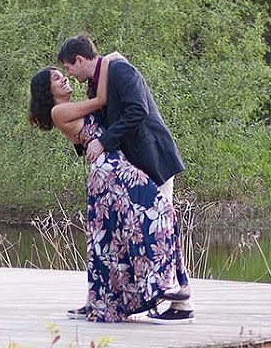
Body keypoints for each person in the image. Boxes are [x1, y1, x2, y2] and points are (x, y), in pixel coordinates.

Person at [27, 62, 189, 323]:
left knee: (110, 240)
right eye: (58, 78)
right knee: (154, 216)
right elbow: (102, 100)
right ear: (48, 91)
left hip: (113, 169)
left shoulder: (68, 107)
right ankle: (159, 287)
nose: (64, 79)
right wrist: (107, 62)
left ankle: (106, 300)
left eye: (63, 73)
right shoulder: (59, 111)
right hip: (110, 172)